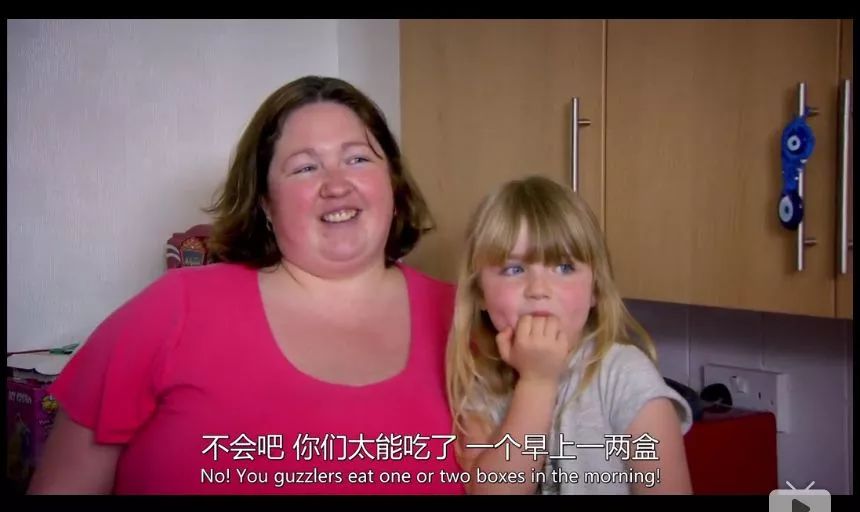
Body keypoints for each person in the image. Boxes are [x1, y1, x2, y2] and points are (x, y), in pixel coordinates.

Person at [28, 76, 465, 495]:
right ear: (265, 205)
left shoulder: (466, 318)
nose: (336, 186)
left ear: (392, 182)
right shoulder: (174, 308)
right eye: (305, 167)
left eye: (357, 159)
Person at [445, 175, 693, 495]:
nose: (538, 290)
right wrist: (536, 382)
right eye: (514, 269)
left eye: (563, 268)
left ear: (595, 289)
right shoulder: (480, 384)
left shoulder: (626, 377)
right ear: (479, 293)